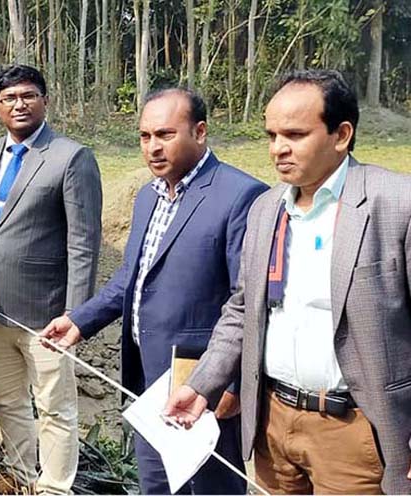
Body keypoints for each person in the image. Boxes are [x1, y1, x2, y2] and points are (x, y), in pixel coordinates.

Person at [164, 70, 411, 495]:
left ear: (341, 135)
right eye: (272, 135)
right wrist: (202, 384)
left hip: (354, 431)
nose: (278, 148)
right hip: (273, 425)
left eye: (295, 135)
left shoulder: (396, 205)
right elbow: (243, 309)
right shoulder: (266, 210)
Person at [41, 88, 267, 494]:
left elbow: (249, 301)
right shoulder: (149, 196)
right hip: (149, 380)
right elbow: (133, 276)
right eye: (145, 136)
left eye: (165, 134)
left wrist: (231, 385)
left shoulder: (240, 196)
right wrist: (79, 321)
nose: (153, 147)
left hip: (202, 381)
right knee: (156, 485)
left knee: (211, 488)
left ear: (200, 132)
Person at [0, 64, 102, 495]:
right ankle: (21, 476)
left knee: (54, 409)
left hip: (47, 314)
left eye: (28, 96)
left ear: (45, 101)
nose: (18, 104)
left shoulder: (70, 158)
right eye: (9, 98)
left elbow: (83, 242)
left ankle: (54, 488)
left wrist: (76, 315)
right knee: (8, 401)